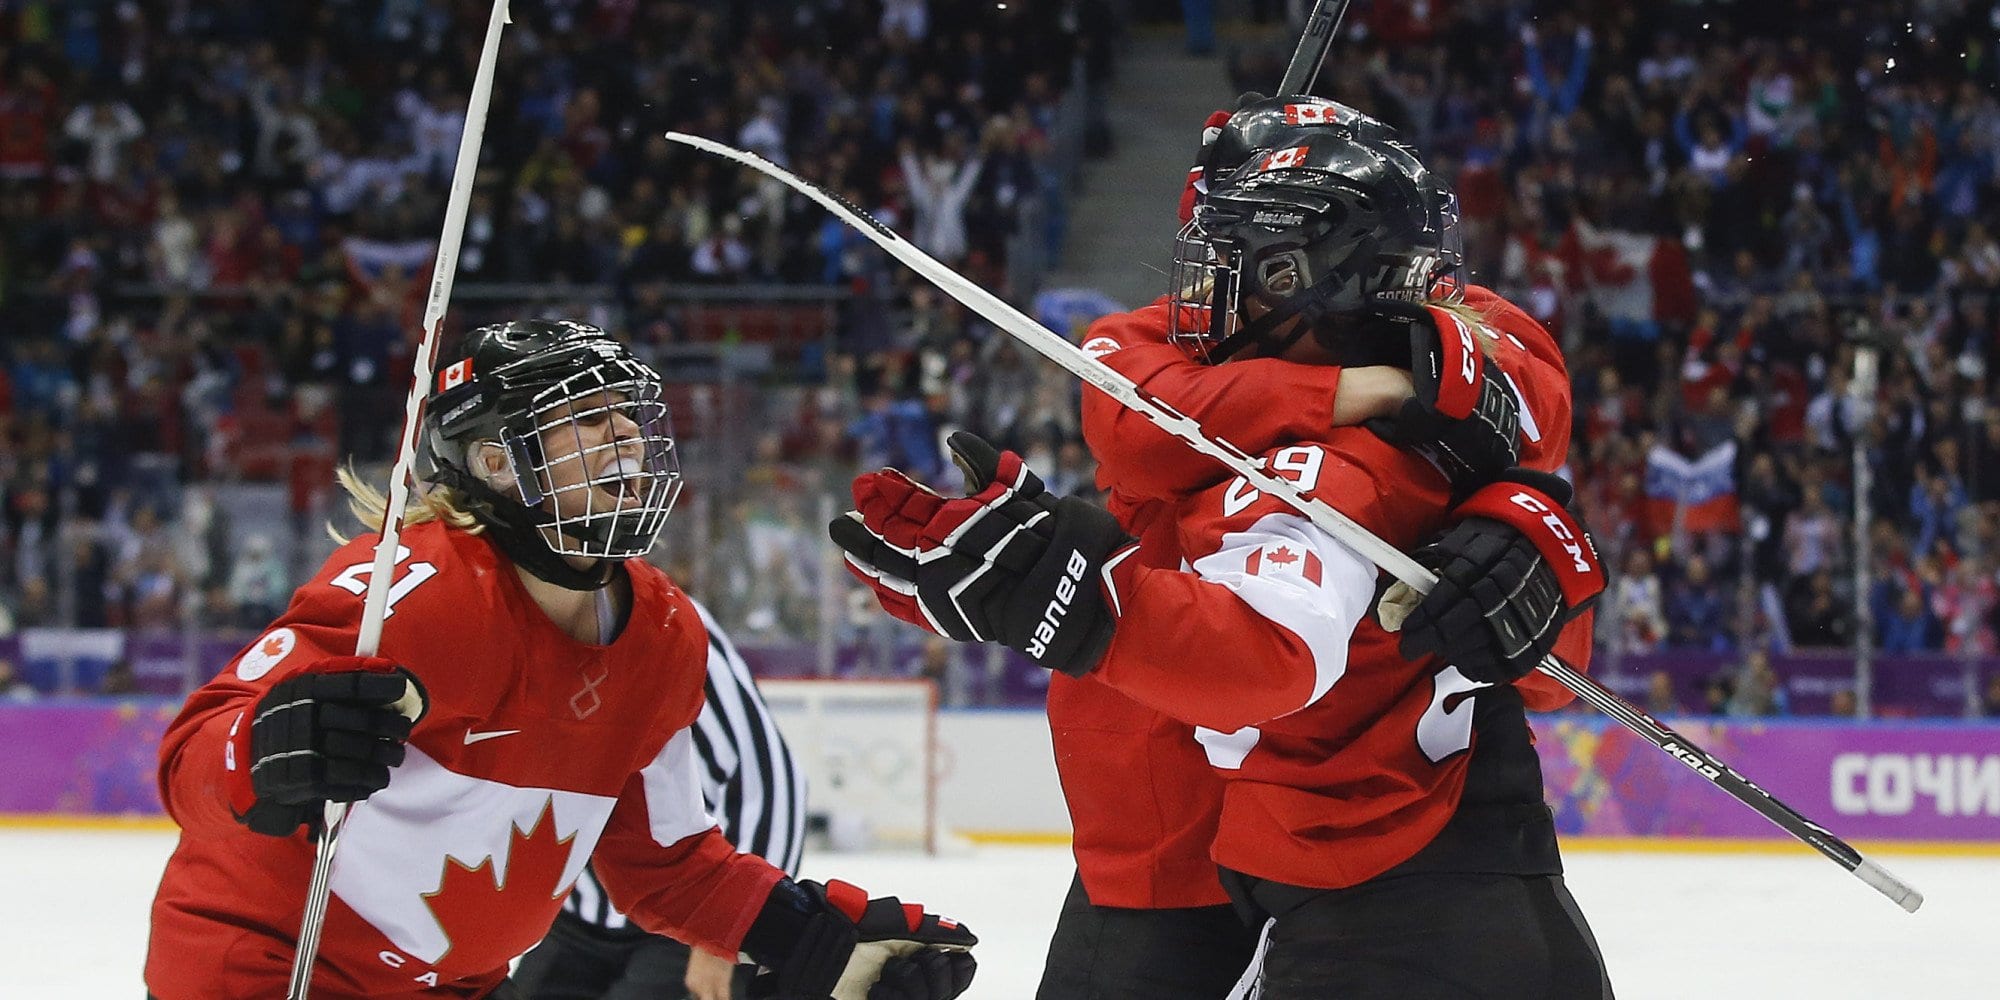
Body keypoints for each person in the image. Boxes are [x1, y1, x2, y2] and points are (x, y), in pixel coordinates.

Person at [835, 106, 1611, 998]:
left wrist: (1534, 528)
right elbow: (1139, 425)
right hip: (1175, 821)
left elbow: (1526, 398)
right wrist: (1356, 387)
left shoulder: (1418, 388)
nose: (1200, 286)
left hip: (1322, 843)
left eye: (1229, 256)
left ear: (1298, 272)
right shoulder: (1175, 346)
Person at [145, 321, 976, 1000]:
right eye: (587, 416)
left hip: (454, 988)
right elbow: (193, 758)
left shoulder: (662, 632)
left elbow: (666, 865)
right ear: (497, 461)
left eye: (628, 413)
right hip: (266, 968)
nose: (623, 434)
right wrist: (261, 748)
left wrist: (813, 940)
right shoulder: (422, 589)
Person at [515, 598, 806, 1000]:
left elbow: (771, 780)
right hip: (573, 919)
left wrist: (726, 933)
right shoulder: (511, 619)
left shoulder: (665, 621)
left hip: (680, 922)